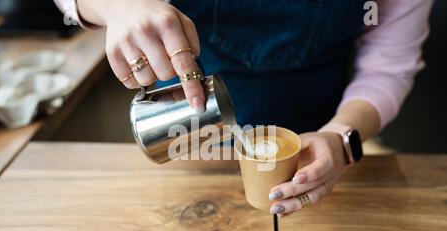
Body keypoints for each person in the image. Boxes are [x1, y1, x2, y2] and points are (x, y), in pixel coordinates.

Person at [55, 0, 433, 217]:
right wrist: (116, 6)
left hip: (313, 157)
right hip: (185, 144)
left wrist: (340, 137)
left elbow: (389, 67)